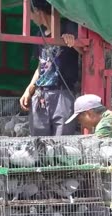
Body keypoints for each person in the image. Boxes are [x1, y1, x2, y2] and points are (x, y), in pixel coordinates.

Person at [19, 0, 81, 136]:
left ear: (37, 11)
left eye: (29, 13)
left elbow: (85, 52)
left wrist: (73, 42)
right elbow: (41, 65)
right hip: (41, 94)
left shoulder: (68, 27)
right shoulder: (39, 34)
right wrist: (28, 90)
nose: (29, 17)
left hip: (63, 92)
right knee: (39, 143)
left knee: (62, 143)